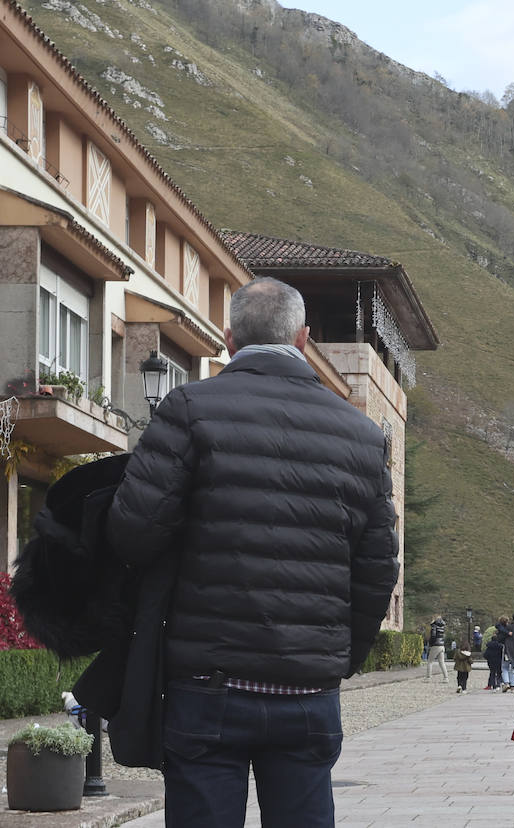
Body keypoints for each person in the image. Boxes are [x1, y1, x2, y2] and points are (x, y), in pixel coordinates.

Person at [105, 276, 399, 828]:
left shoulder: (189, 408)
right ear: (304, 338)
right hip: (308, 691)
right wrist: (337, 659)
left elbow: (133, 533)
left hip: (207, 686)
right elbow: (378, 568)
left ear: (228, 337)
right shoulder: (361, 435)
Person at [427, 613, 448, 679]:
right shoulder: (442, 626)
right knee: (442, 662)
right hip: (441, 645)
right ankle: (446, 677)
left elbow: (433, 636)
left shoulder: (434, 626)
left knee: (430, 662)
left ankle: (428, 677)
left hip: (435, 645)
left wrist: (430, 643)